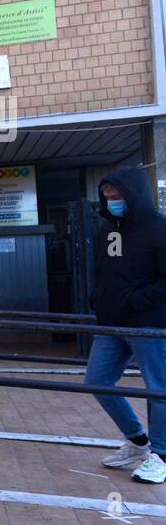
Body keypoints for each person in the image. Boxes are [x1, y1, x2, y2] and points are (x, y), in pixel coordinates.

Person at [87, 168, 166, 483]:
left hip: (148, 323)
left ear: (133, 195)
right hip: (111, 322)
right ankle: (137, 441)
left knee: (158, 389)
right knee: (96, 380)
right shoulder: (107, 230)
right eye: (107, 197)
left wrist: (139, 300)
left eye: (117, 197)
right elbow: (106, 272)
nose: (112, 202)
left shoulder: (159, 229)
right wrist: (100, 298)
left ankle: (160, 455)